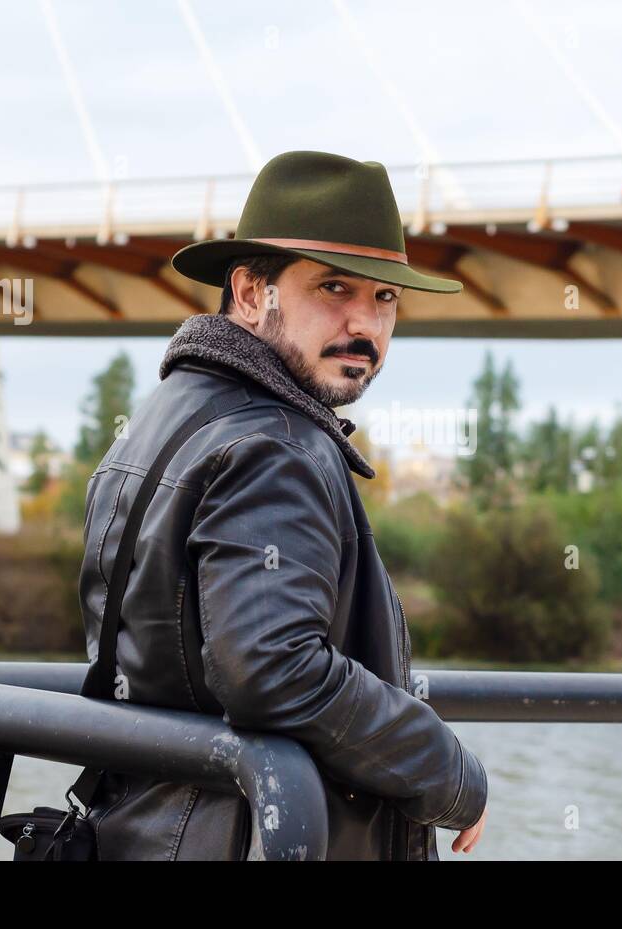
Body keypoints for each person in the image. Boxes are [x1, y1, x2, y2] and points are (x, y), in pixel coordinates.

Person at [78, 150, 489, 860]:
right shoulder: (280, 444)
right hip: (244, 840)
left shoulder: (163, 420)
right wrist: (447, 770)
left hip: (145, 830)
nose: (366, 324)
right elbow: (271, 666)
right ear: (248, 292)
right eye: (334, 288)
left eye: (385, 298)